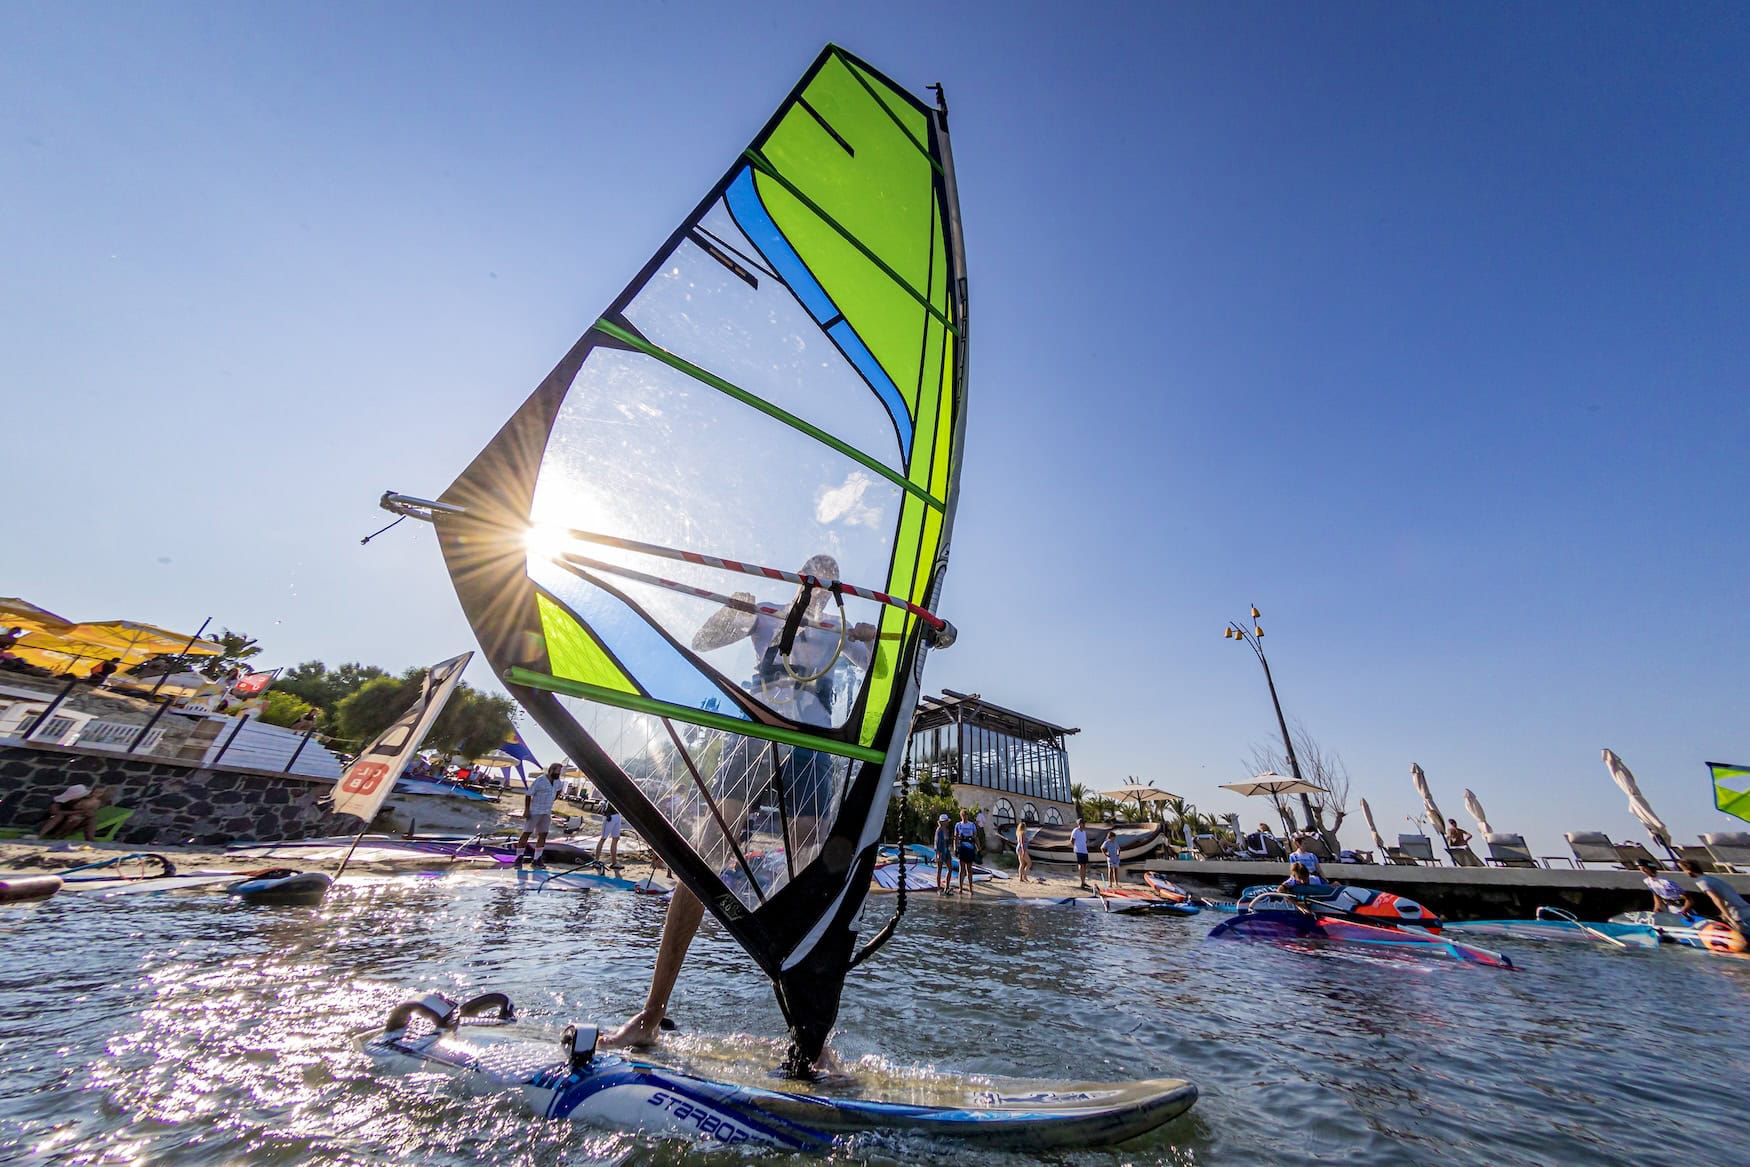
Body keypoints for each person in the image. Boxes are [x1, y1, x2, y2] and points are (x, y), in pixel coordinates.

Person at [603, 556, 881, 1057]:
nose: (820, 579)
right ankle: (649, 1015)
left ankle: (808, 1039)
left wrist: (873, 639)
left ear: (835, 587)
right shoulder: (771, 611)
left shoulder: (839, 632)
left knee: (813, 879)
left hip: (812, 746)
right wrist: (734, 612)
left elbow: (881, 674)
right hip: (752, 734)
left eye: (829, 574)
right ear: (799, 576)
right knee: (702, 857)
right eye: (813, 570)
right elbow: (705, 641)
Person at [1679, 858, 1750, 942]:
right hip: (1746, 909)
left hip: (1739, 915)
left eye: (1683, 870)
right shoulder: (1710, 879)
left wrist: (1732, 921)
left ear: (1688, 871)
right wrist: (1723, 913)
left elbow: (1716, 899)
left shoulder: (1701, 882)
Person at [515, 762, 563, 867]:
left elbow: (559, 790)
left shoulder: (557, 782)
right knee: (527, 832)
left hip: (547, 811)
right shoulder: (540, 780)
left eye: (559, 772)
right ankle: (519, 858)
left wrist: (554, 798)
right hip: (535, 810)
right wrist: (527, 809)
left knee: (543, 834)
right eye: (557, 771)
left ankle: (537, 859)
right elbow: (528, 794)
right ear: (551, 770)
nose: (558, 774)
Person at [37, 784, 108, 841]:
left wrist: (88, 813)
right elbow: (55, 812)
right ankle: (39, 836)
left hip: (68, 825)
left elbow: (86, 812)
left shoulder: (82, 801)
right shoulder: (57, 802)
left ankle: (90, 839)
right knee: (59, 816)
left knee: (89, 818)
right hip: (47, 825)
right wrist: (79, 812)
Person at [954, 809, 978, 895]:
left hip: (970, 848)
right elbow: (956, 837)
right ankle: (960, 888)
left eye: (966, 815)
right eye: (963, 815)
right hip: (962, 848)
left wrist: (978, 848)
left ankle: (971, 888)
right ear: (961, 816)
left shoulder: (972, 825)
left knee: (969, 869)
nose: (964, 817)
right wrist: (955, 848)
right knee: (961, 869)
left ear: (967, 816)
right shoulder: (958, 825)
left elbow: (975, 837)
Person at [593, 799, 624, 869]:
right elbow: (604, 801)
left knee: (615, 839)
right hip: (609, 816)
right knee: (603, 838)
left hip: (617, 815)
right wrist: (606, 812)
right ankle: (596, 861)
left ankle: (614, 863)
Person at [933, 813, 953, 893]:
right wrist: (938, 853)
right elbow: (937, 842)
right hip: (941, 851)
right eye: (946, 821)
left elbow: (948, 841)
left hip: (946, 851)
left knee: (950, 868)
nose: (947, 822)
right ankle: (938, 888)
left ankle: (947, 887)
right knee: (939, 869)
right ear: (943, 822)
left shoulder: (947, 830)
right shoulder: (939, 830)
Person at [1071, 818, 1091, 890]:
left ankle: (1084, 881)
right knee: (1081, 865)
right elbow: (1072, 840)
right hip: (1079, 850)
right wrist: (1075, 847)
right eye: (1082, 823)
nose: (1084, 824)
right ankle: (1082, 882)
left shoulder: (1084, 832)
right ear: (1079, 824)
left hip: (1084, 850)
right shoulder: (1076, 830)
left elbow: (1085, 841)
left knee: (1085, 865)